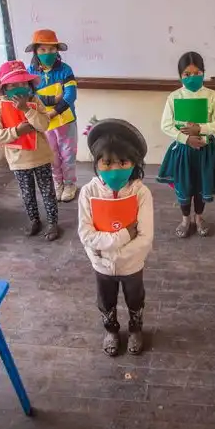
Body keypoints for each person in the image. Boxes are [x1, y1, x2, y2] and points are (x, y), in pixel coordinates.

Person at [77, 119, 154, 356]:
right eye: (107, 162)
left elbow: (145, 237)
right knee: (106, 300)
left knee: (135, 298)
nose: (114, 169)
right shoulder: (88, 192)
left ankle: (135, 329)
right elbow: (86, 234)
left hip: (132, 264)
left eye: (123, 162)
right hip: (101, 264)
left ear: (134, 162)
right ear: (97, 163)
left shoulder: (141, 193)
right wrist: (123, 235)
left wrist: (112, 251)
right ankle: (111, 330)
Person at [156, 51, 215, 238]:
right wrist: (186, 139)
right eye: (187, 74)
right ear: (180, 75)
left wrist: (201, 129)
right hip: (183, 150)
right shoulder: (174, 97)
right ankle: (185, 219)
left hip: (206, 150)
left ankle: (199, 218)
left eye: (197, 73)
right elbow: (165, 125)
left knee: (202, 185)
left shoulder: (212, 96)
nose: (192, 77)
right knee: (185, 186)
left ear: (204, 72)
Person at [0, 60, 60, 241]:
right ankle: (34, 220)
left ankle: (53, 223)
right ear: (5, 89)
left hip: (40, 157)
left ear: (29, 85)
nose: (19, 89)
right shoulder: (0, 108)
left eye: (22, 84)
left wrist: (26, 110)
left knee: (48, 192)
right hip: (18, 161)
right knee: (27, 193)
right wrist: (16, 131)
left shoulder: (35, 102)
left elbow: (43, 125)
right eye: (13, 85)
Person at [27, 29, 80, 203]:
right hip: (45, 123)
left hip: (66, 120)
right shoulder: (30, 72)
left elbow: (70, 95)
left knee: (68, 155)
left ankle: (70, 184)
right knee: (52, 156)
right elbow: (30, 95)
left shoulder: (65, 70)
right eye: (43, 50)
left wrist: (55, 110)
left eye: (51, 49)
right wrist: (51, 99)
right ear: (36, 51)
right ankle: (58, 183)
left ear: (57, 50)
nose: (47, 53)